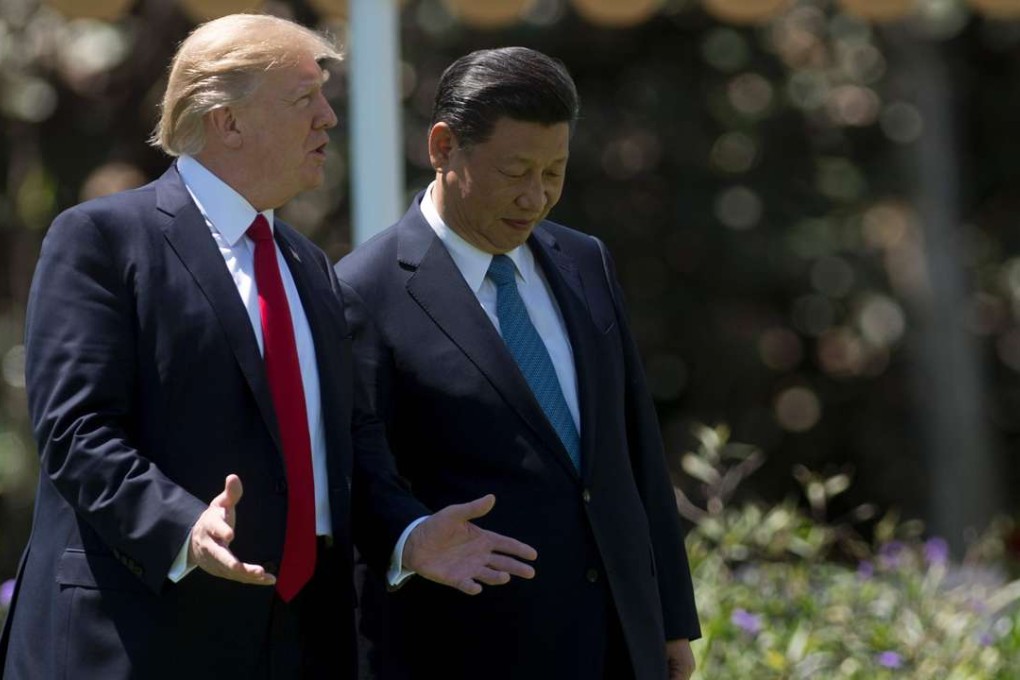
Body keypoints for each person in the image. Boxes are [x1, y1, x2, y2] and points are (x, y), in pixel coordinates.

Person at [0, 16, 536, 680]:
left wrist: (408, 532)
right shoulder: (103, 238)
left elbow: (350, 437)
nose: (328, 117)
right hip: (134, 638)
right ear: (227, 121)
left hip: (296, 643)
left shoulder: (309, 266)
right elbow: (76, 430)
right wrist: (182, 526)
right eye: (304, 97)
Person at [336, 47, 700, 680]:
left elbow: (633, 448)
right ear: (443, 147)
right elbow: (359, 474)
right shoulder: (363, 291)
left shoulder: (585, 261)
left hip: (619, 641)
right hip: (471, 647)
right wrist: (411, 536)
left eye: (555, 172)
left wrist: (669, 620)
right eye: (515, 171)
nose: (536, 197)